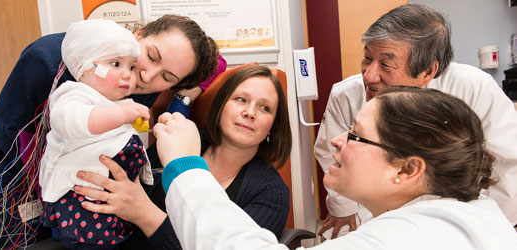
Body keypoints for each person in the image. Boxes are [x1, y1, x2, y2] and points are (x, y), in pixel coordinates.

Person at [83, 86, 517, 250]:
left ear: (405, 170)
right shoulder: (444, 214)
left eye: (356, 134)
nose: (335, 140)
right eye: (239, 100)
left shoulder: (421, 238)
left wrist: (183, 167)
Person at [0, 14, 219, 249]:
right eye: (151, 56)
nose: (146, 76)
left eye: (167, 77)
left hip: (83, 185)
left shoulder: (142, 84)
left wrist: (186, 94)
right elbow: (19, 133)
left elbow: (216, 62)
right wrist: (52, 193)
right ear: (138, 33)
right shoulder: (48, 57)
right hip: (18, 170)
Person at [314, 3, 517, 238]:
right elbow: (329, 151)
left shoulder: (473, 88)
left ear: (427, 72)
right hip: (371, 212)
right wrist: (343, 208)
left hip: (460, 211)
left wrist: (492, 229)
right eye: (367, 58)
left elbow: (507, 162)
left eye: (386, 65)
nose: (369, 75)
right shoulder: (346, 94)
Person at [74, 65, 292, 250]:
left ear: (273, 125)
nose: (250, 112)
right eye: (241, 100)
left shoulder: (272, 192)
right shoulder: (180, 139)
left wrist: (144, 213)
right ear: (220, 108)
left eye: (265, 108)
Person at [37, 19, 153, 249]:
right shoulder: (74, 94)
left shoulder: (116, 102)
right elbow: (73, 122)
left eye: (131, 67)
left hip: (112, 203)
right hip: (82, 205)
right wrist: (122, 114)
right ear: (85, 65)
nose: (128, 74)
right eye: (115, 63)